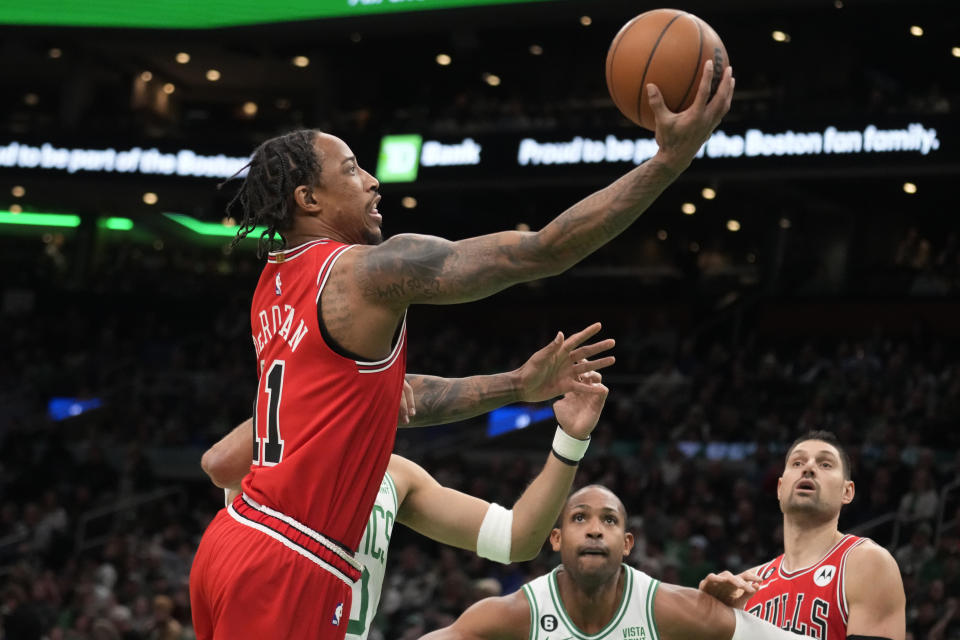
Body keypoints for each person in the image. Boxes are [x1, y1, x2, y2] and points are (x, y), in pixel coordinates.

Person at [189, 59, 734, 640]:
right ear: (309, 199)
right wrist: (668, 161)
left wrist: (517, 387)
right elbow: (539, 252)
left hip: (232, 539)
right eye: (350, 170)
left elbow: (393, 396)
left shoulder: (273, 284)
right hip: (292, 556)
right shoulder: (365, 274)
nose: (372, 180)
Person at [204, 361, 608, 640]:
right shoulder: (275, 452)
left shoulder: (397, 475)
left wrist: (571, 438)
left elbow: (516, 538)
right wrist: (352, 392)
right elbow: (219, 464)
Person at [420, 484, 816, 640]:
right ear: (555, 539)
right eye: (579, 518)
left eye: (608, 520)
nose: (595, 530)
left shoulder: (669, 609)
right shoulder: (514, 614)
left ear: (627, 544)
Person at [699, 431, 906, 640]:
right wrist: (709, 620)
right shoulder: (748, 586)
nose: (808, 468)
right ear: (780, 488)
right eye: (797, 463)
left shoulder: (866, 563)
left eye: (825, 464)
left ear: (847, 492)